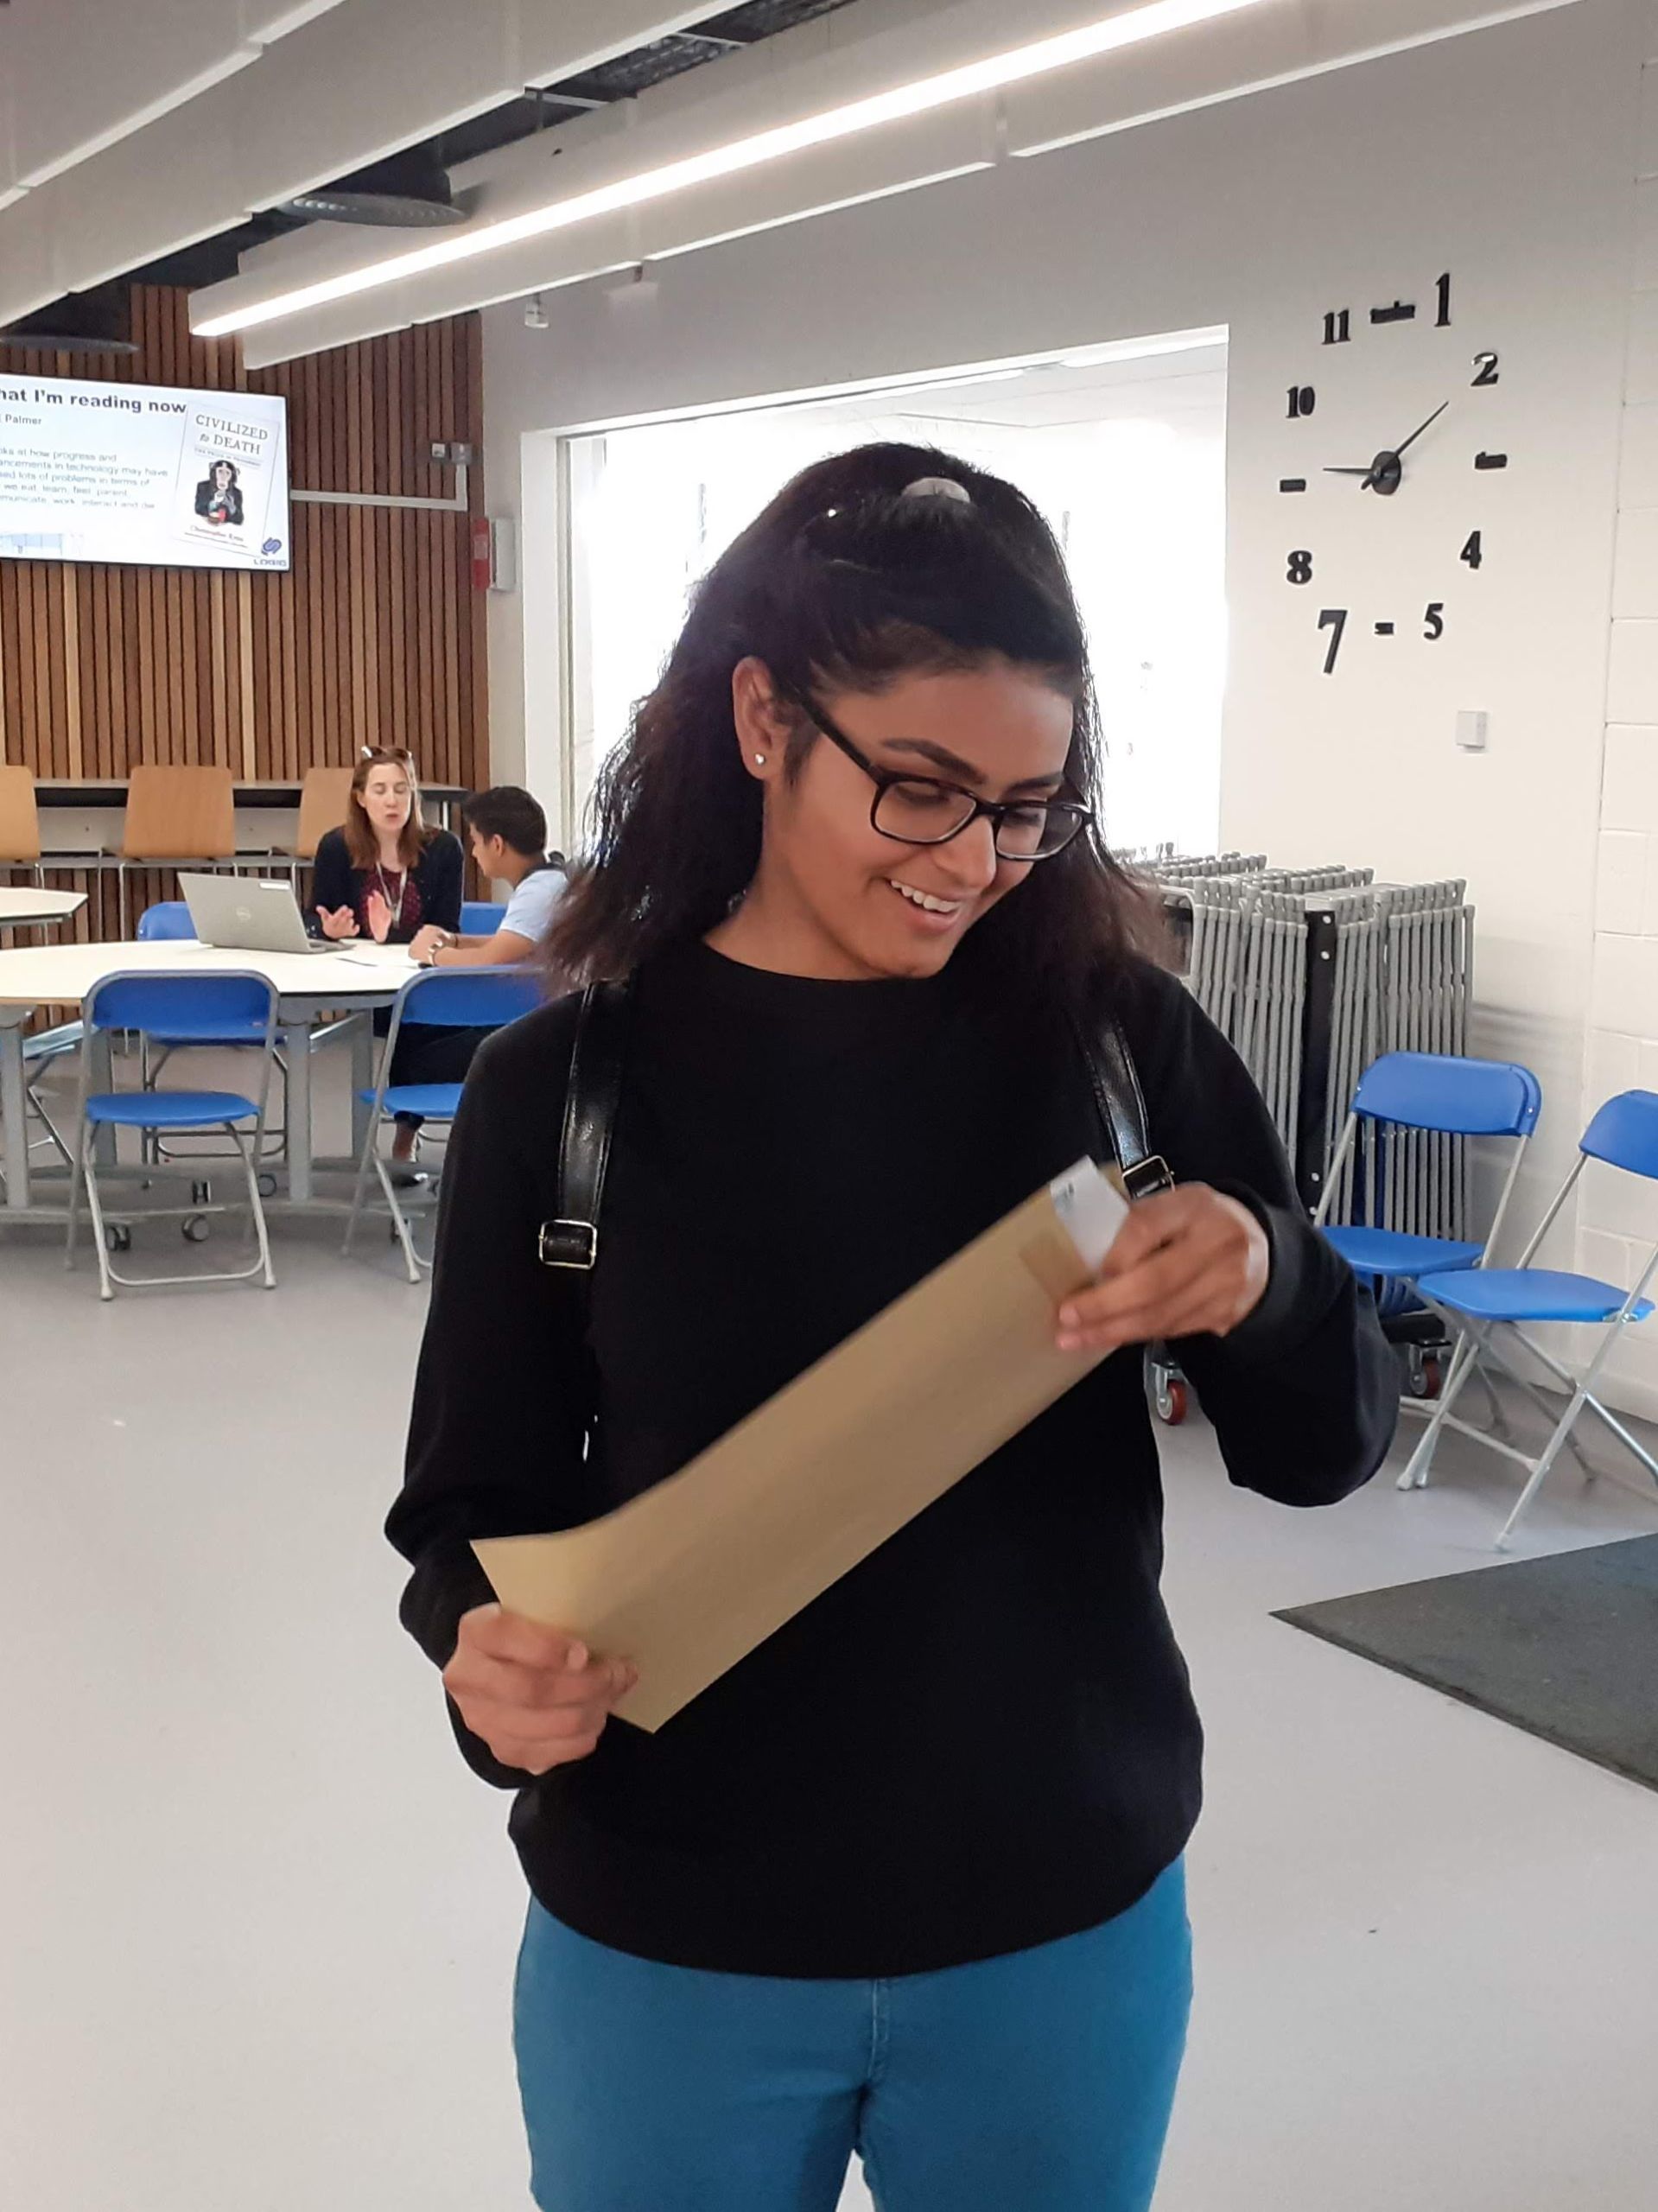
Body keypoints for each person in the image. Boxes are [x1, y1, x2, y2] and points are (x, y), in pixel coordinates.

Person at [386, 444, 1398, 2212]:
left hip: (1053, 1927)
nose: (975, 862)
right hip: (668, 1935)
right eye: (921, 791)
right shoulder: (563, 1092)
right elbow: (465, 1513)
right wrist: (485, 1659)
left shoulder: (1116, 1047)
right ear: (762, 718)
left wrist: (1266, 1272)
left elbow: (1325, 1449)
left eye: (1026, 808)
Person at [309, 747, 464, 1173]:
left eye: (401, 789)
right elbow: (314, 917)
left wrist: (390, 935)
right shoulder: (336, 846)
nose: (392, 801)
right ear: (361, 798)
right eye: (380, 790)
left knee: (415, 1024)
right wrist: (329, 928)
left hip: (420, 978)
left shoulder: (443, 849)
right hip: (356, 980)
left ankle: (405, 1133)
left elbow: (446, 929)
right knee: (399, 1021)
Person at [409, 785, 567, 971]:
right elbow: (509, 945)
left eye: (475, 842)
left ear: (497, 844)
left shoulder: (539, 892)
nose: (474, 853)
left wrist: (432, 954)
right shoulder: (549, 880)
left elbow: (488, 960)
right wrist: (455, 941)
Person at [194, 458, 244, 527]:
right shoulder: (203, 487)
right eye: (220, 471)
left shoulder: (236, 493)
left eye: (227, 473)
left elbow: (239, 520)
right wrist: (214, 502)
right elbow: (198, 509)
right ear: (214, 474)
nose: (223, 477)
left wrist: (230, 506)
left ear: (232, 477)